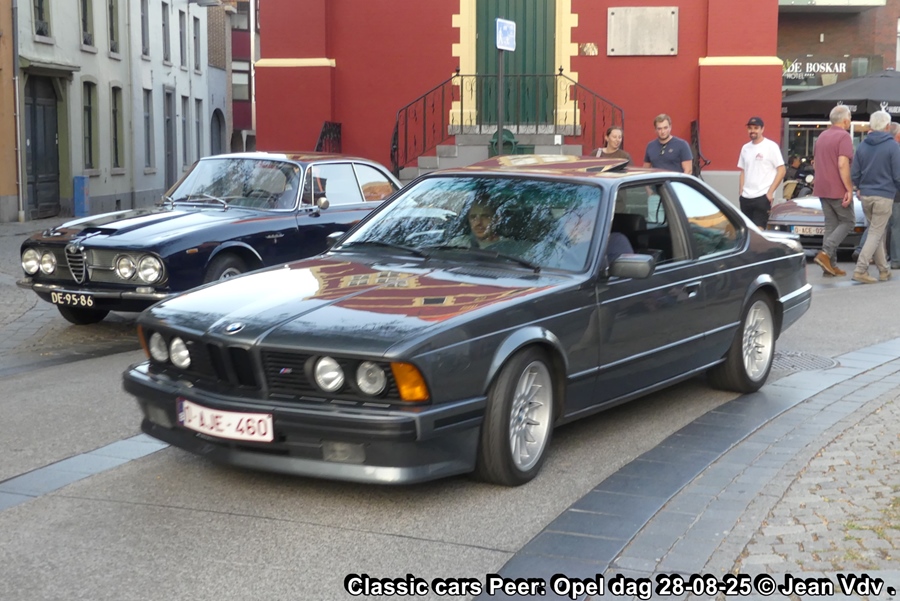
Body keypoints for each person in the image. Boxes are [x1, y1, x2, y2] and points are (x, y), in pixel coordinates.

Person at [850, 110, 900, 284]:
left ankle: (883, 270)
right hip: (884, 194)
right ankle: (860, 268)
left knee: (876, 231)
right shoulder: (893, 146)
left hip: (866, 195)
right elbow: (898, 175)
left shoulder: (863, 145)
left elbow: (855, 172)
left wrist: (859, 186)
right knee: (876, 232)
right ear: (887, 126)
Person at [812, 105, 855, 277]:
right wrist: (849, 188)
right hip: (837, 187)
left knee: (831, 224)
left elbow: (816, 162)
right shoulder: (844, 136)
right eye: (850, 117)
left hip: (821, 186)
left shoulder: (822, 136)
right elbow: (843, 164)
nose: (850, 121)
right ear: (845, 120)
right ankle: (826, 253)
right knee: (848, 222)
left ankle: (830, 264)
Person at [737, 116, 786, 228]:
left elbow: (781, 170)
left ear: (762, 129)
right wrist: (741, 191)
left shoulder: (771, 146)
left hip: (762, 196)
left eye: (756, 128)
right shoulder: (745, 148)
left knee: (759, 231)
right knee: (748, 230)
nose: (752, 131)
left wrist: (770, 193)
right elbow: (743, 170)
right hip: (746, 197)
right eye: (750, 128)